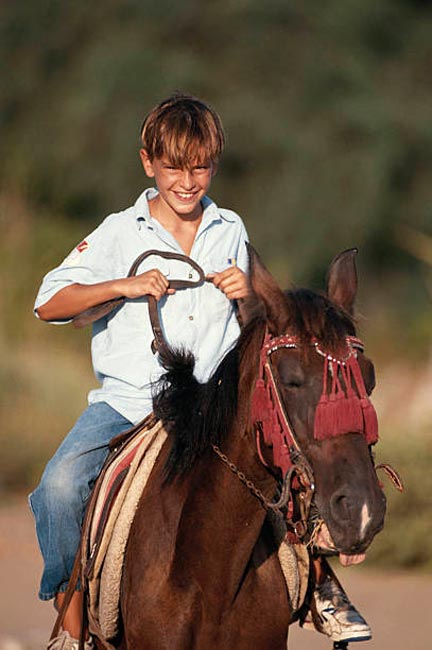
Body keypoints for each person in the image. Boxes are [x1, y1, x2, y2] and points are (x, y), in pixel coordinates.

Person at [30, 93, 370, 649]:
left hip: (213, 406)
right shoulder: (121, 232)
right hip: (130, 404)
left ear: (213, 164)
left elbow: (262, 327)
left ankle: (320, 584)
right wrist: (124, 286)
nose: (187, 182)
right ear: (148, 163)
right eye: (173, 168)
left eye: (200, 167)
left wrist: (247, 299)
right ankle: (72, 625)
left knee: (290, 468)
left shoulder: (229, 228)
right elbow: (48, 302)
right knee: (59, 488)